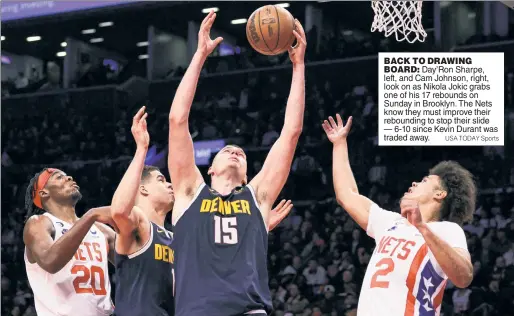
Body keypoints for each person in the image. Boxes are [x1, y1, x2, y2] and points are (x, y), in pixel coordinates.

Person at [167, 10, 307, 316]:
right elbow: (177, 120)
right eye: (226, 150)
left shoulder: (257, 197)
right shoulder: (189, 192)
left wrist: (298, 67)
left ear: (246, 176)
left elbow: (291, 133)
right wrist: (200, 57)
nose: (235, 151)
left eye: (241, 153)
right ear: (210, 168)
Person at [111, 107, 295, 316]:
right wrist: (90, 218)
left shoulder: (179, 235)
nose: (171, 185)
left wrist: (255, 226)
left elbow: (217, 244)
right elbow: (116, 213)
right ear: (142, 189)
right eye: (162, 180)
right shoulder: (138, 223)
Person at [322, 114, 476, 316]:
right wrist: (339, 144)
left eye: (424, 181)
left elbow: (464, 277)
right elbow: (347, 195)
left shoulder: (446, 230)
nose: (414, 183)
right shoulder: (391, 222)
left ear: (440, 194)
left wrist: (422, 227)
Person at [23, 168, 117, 316]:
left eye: (67, 176)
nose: (69, 178)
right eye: (59, 177)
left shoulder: (100, 230)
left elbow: (134, 264)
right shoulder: (39, 223)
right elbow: (50, 261)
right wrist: (91, 215)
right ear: (44, 193)